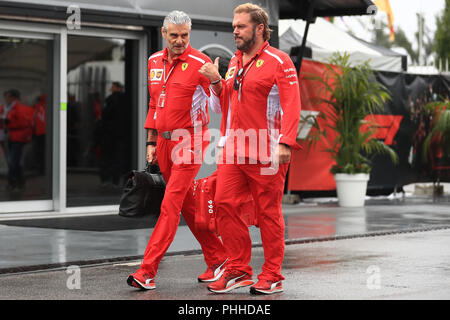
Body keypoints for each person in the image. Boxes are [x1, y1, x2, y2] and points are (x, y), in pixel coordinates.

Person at [199, 3, 301, 294]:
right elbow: (224, 105)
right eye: (234, 26)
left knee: (268, 213)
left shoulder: (279, 61)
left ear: (259, 28)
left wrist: (286, 142)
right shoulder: (234, 61)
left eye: (240, 26)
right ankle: (239, 269)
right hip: (232, 149)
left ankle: (272, 274)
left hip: (267, 150)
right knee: (223, 204)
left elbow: (293, 105)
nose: (235, 31)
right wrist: (217, 82)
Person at [127, 10, 227, 290]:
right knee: (184, 204)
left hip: (191, 141)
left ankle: (147, 271)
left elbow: (220, 104)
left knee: (169, 206)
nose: (180, 40)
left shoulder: (201, 62)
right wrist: (151, 142)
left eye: (185, 35)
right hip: (163, 142)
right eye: (175, 35)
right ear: (163, 33)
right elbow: (154, 103)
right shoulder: (153, 61)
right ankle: (220, 258)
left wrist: (217, 81)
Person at [0, 89, 34, 191]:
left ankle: (12, 183)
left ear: (13, 97)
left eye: (8, 96)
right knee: (14, 161)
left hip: (18, 137)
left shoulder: (19, 108)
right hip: (7, 137)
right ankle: (20, 182)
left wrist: (8, 122)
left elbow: (23, 123)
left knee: (13, 161)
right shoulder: (5, 108)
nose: (6, 98)